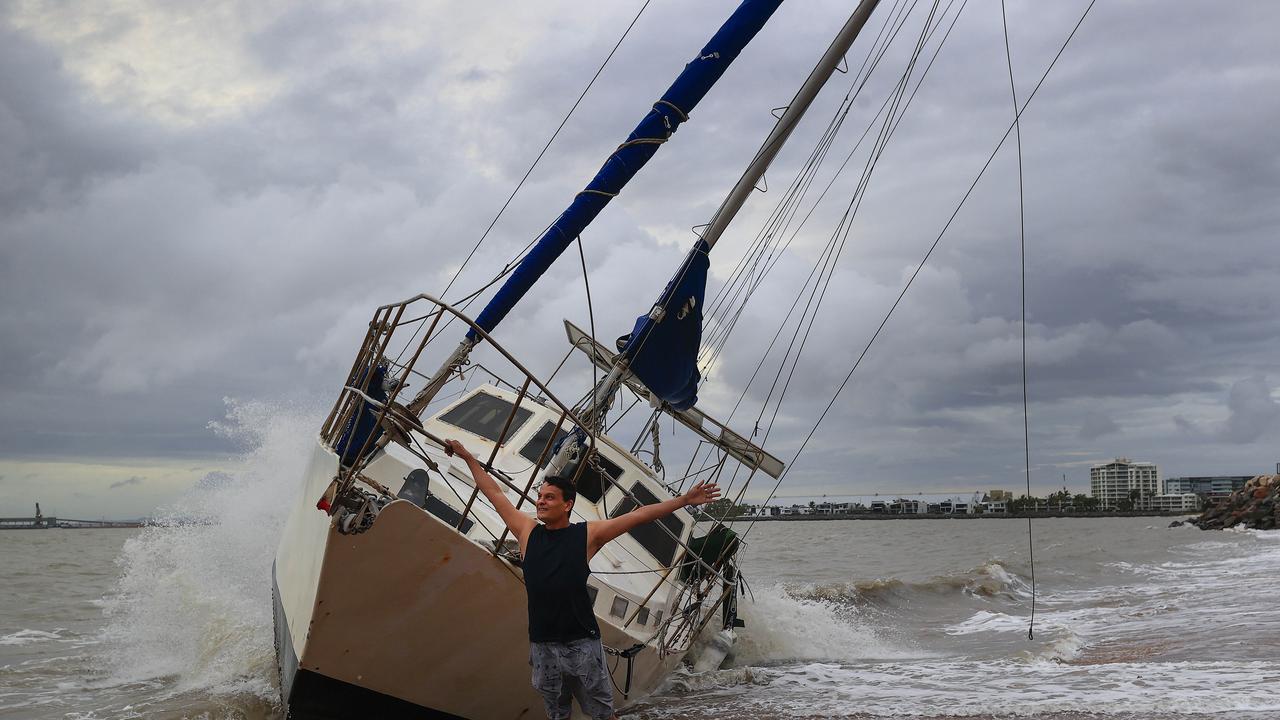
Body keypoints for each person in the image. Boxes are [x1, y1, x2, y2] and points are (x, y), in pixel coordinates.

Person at [443, 438, 720, 720]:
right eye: (540, 496)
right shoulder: (527, 532)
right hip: (543, 645)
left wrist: (684, 500)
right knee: (556, 712)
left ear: (567, 505)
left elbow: (639, 517)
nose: (540, 501)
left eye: (549, 497)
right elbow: (493, 492)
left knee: (600, 713)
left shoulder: (587, 536)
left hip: (581, 643)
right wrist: (467, 456)